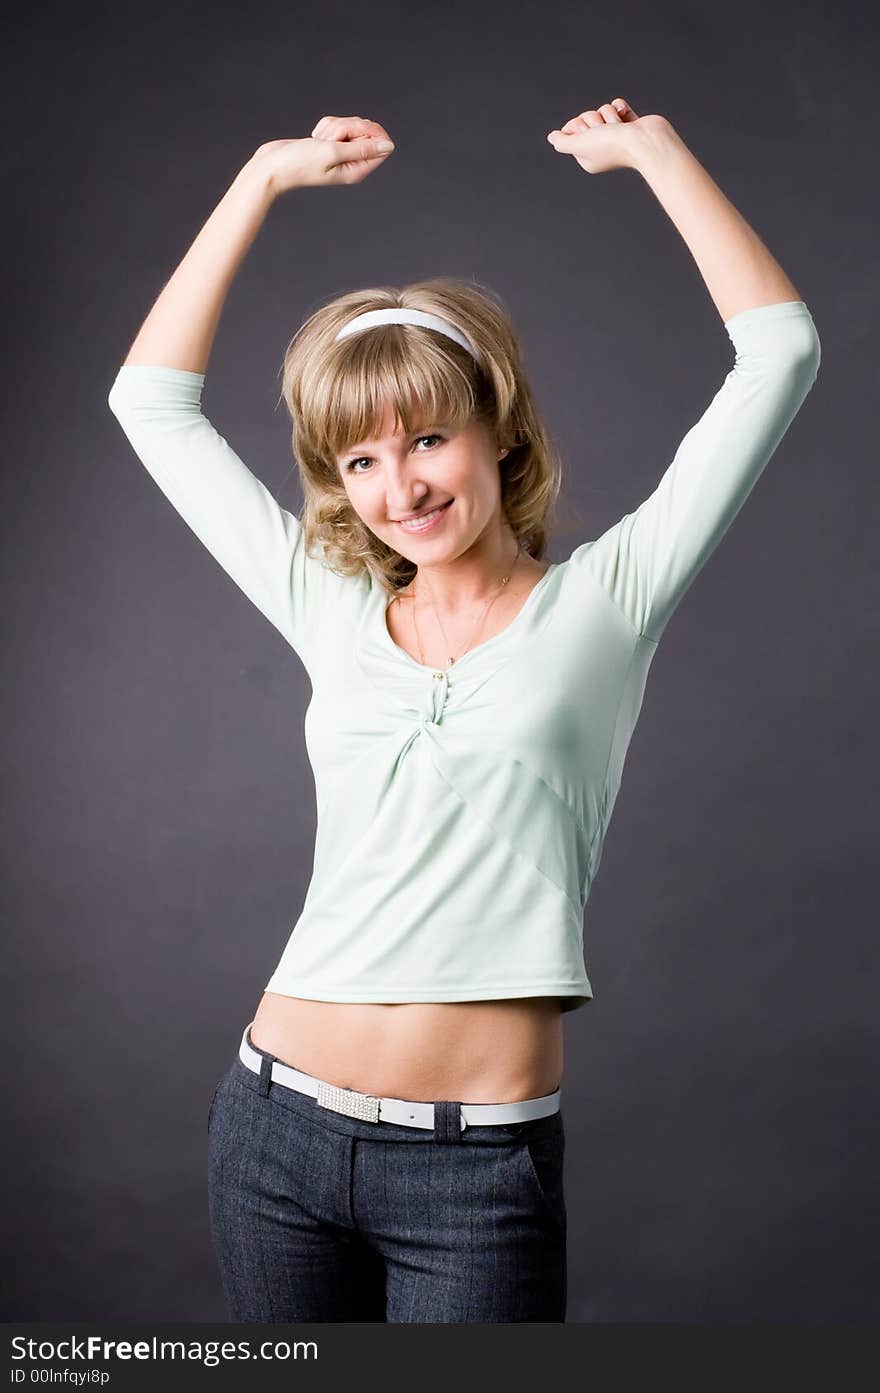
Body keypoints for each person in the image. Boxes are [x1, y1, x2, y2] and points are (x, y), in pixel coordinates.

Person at [106, 99, 821, 1323]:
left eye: (427, 436)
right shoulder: (324, 602)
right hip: (270, 1130)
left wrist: (656, 155)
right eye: (359, 461)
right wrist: (260, 179)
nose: (400, 485)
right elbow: (150, 405)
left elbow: (781, 355)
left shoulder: (608, 601)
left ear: (496, 428)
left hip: (472, 1168)